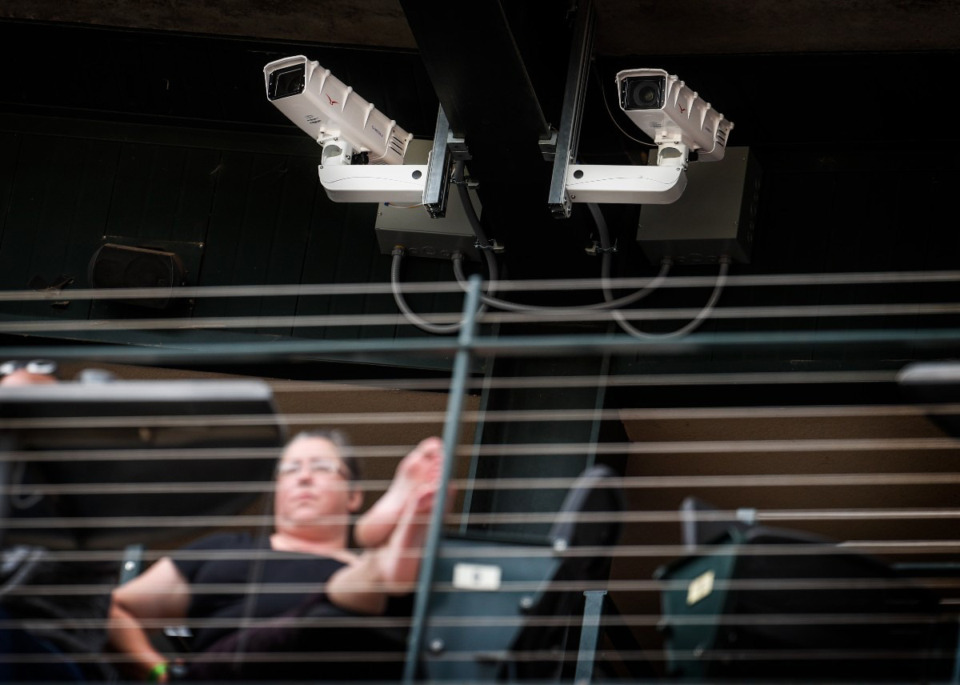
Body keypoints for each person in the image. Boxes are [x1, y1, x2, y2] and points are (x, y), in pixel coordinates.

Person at [107, 431, 448, 682]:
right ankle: (393, 538)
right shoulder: (225, 550)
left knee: (381, 603)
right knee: (329, 613)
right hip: (226, 675)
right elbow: (115, 609)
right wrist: (157, 671)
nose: (303, 476)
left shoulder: (393, 589)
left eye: (322, 467)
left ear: (354, 496)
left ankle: (394, 539)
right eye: (289, 469)